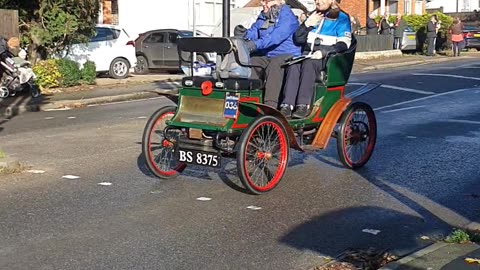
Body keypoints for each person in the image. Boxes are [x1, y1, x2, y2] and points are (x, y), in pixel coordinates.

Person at [280, 0, 352, 118]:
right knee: (293, 65)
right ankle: (287, 105)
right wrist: (307, 25)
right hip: (307, 54)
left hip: (327, 59)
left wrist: (324, 52)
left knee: (309, 63)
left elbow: (344, 43)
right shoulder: (311, 15)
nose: (318, 1)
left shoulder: (341, 18)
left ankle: (303, 105)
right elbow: (298, 40)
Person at [234, 0, 301, 108]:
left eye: (267, 1)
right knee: (251, 62)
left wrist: (255, 45)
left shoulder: (288, 17)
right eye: (263, 1)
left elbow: (274, 38)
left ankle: (270, 105)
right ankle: (250, 98)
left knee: (275, 65)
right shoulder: (264, 16)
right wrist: (245, 34)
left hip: (287, 54)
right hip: (268, 54)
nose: (263, 4)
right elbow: (255, 31)